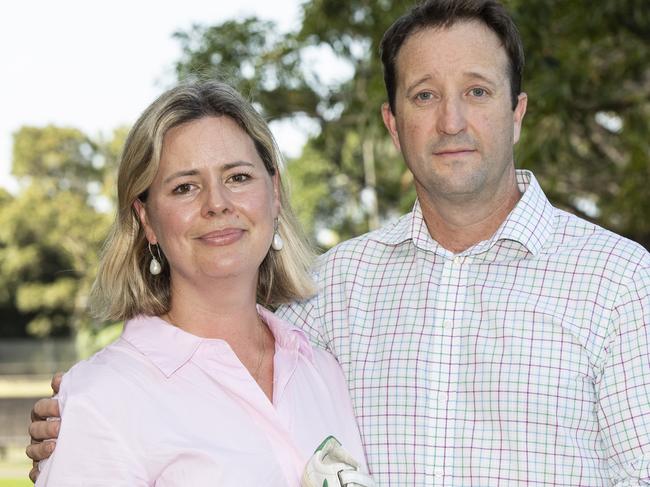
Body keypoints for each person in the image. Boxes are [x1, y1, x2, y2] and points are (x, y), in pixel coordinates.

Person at [28, 0, 650, 485]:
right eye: (424, 95)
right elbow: (190, 361)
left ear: (517, 111)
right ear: (392, 122)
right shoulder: (337, 291)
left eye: (477, 92)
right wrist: (80, 420)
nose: (451, 121)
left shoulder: (618, 281)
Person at [30, 80, 371, 486]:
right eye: (185, 187)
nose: (217, 203)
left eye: (238, 177)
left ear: (274, 193)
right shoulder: (101, 399)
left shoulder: (323, 371)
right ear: (147, 220)